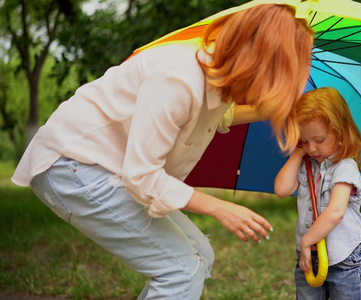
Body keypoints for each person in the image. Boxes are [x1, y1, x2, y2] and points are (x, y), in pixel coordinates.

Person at [11, 4, 314, 299]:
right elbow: (142, 176)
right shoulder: (178, 78)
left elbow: (218, 115)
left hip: (109, 167)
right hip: (71, 165)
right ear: (261, 63)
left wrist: (271, 108)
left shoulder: (215, 76)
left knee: (200, 255)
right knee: (182, 270)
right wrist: (221, 208)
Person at [274, 87, 361, 299]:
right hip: (309, 256)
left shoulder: (344, 166)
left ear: (340, 132)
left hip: (343, 258)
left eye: (319, 140)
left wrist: (307, 240)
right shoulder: (308, 164)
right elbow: (281, 189)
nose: (312, 148)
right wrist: (297, 153)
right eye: (305, 140)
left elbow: (336, 212)